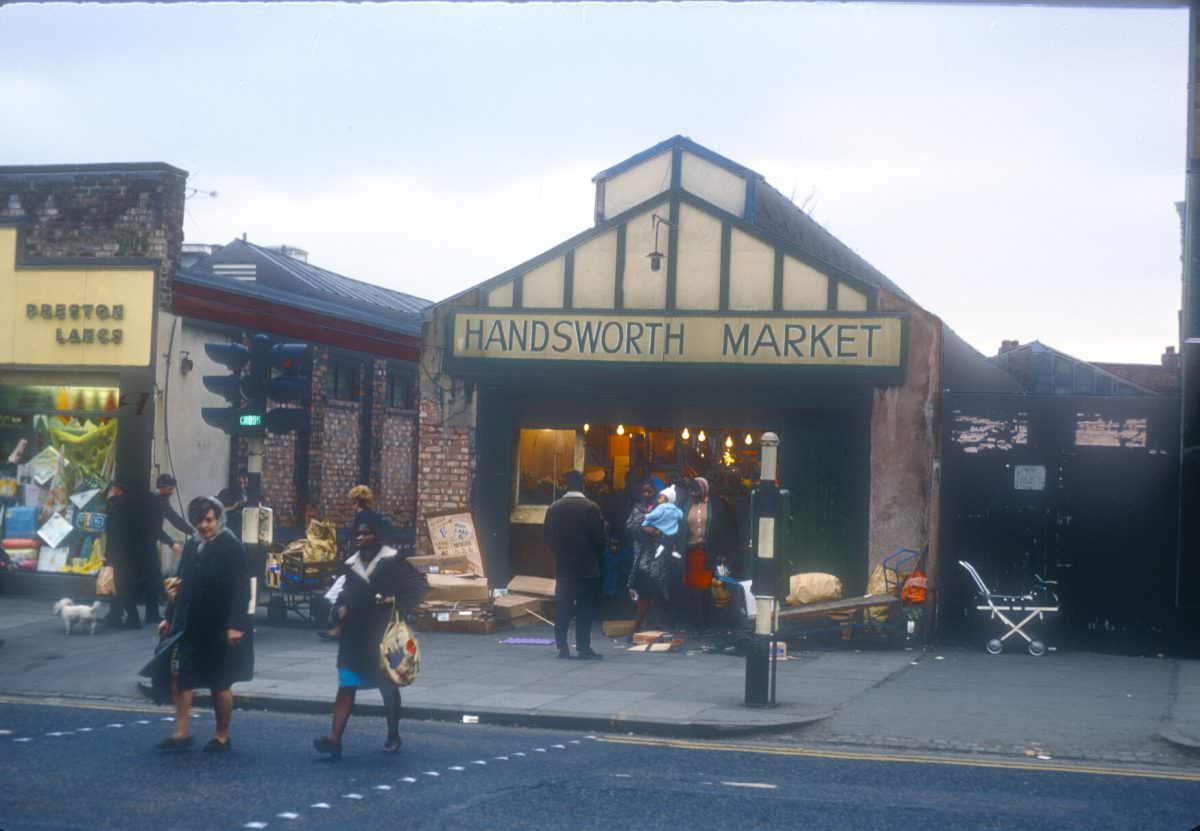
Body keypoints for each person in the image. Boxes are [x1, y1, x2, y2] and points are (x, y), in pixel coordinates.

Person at [313, 513, 428, 759]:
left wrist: (395, 601)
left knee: (387, 686)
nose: (361, 537)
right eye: (358, 533)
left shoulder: (392, 561)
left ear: (377, 536)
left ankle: (393, 734)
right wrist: (340, 607)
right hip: (353, 636)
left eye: (366, 533)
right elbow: (344, 592)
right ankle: (334, 740)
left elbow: (420, 585)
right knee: (345, 686)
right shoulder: (350, 564)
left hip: (381, 634)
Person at [155, 496, 253, 752]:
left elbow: (242, 589)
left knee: (219, 682)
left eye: (208, 520)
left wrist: (237, 625)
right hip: (190, 624)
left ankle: (222, 735)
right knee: (182, 676)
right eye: (199, 521)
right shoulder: (192, 546)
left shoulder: (231, 546)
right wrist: (169, 616)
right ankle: (182, 733)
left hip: (219, 625)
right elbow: (180, 584)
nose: (204, 526)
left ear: (219, 518)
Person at [543, 470, 607, 660]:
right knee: (585, 608)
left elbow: (547, 538)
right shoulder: (591, 507)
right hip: (587, 567)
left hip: (564, 567)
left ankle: (562, 647)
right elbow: (600, 539)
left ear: (566, 485)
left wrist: (560, 553)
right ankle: (583, 647)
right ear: (583, 485)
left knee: (563, 607)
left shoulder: (554, 508)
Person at [683, 476, 738, 630]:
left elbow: (723, 528)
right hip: (691, 554)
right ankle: (696, 623)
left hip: (709, 553)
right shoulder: (685, 505)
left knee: (707, 589)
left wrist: (722, 552)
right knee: (693, 590)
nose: (694, 494)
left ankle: (705, 623)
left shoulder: (716, 505)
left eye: (697, 491)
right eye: (692, 491)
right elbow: (680, 527)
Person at [626, 480, 676, 638]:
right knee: (644, 592)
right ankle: (637, 628)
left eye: (650, 491)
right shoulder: (638, 508)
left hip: (660, 558)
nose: (647, 494)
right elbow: (630, 526)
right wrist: (644, 530)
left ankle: (665, 627)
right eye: (645, 491)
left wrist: (657, 532)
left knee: (661, 592)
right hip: (642, 558)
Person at [103, 479, 151, 629]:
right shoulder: (137, 504)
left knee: (122, 586)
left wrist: (108, 555)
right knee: (123, 585)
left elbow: (113, 533)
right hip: (134, 553)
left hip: (120, 554)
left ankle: (132, 618)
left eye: (114, 488)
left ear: (118, 489)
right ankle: (115, 615)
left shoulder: (118, 506)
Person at [641, 484, 684, 559]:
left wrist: (646, 516)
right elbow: (680, 514)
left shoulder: (661, 507)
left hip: (659, 528)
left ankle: (661, 547)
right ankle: (673, 550)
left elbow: (654, 515)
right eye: (644, 491)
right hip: (671, 529)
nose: (658, 499)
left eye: (660, 498)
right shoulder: (674, 508)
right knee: (670, 539)